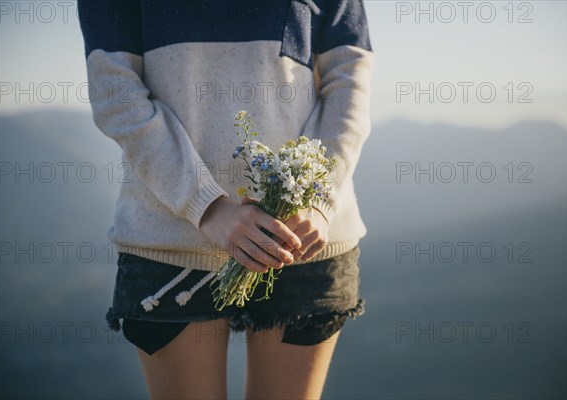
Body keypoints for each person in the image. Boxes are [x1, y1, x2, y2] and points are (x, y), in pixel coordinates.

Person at [77, 0, 373, 398]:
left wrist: (318, 197)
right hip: (173, 242)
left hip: (302, 240)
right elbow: (116, 92)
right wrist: (208, 206)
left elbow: (350, 77)